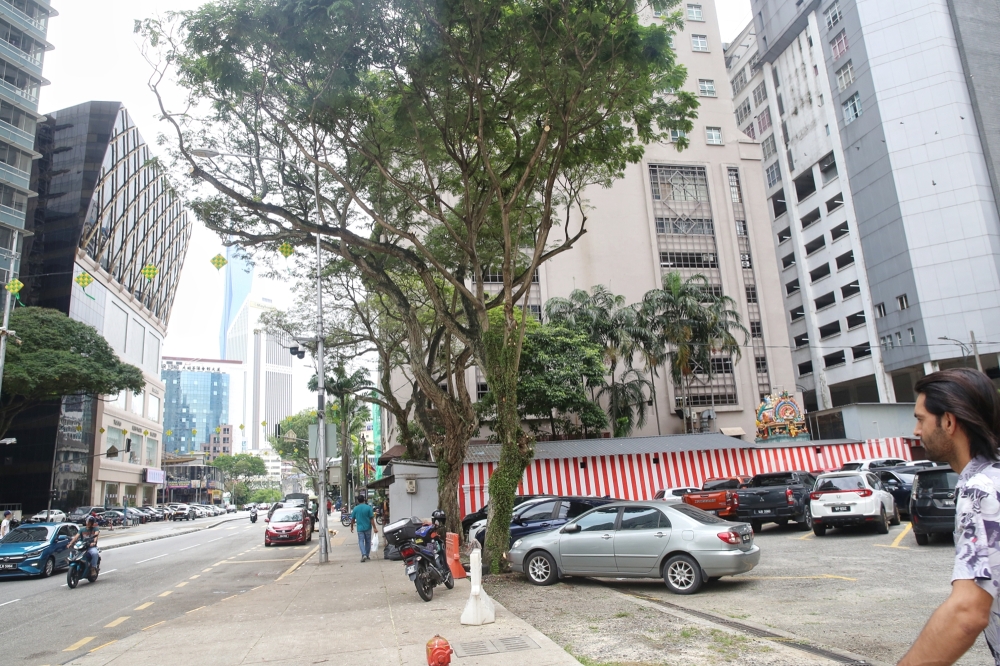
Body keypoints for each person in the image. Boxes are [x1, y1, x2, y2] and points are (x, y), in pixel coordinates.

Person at [898, 368, 1000, 666]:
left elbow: (967, 613)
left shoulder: (980, 489)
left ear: (949, 421)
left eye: (921, 419)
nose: (916, 431)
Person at [350, 493, 375, 562]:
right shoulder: (368, 508)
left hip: (360, 528)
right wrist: (375, 528)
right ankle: (367, 555)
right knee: (368, 541)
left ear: (358, 501)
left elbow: (352, 519)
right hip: (368, 527)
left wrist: (351, 527)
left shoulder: (355, 508)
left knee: (361, 541)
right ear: (364, 500)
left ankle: (363, 554)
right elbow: (371, 519)